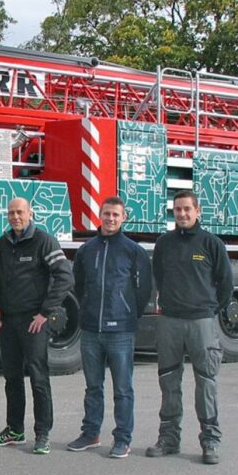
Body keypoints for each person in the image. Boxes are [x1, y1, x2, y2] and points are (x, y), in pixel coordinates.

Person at [145, 190, 232, 465]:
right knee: (169, 382)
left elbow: (226, 283)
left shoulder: (212, 244)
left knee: (205, 383)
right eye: (177, 209)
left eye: (187, 209)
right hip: (170, 321)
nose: (182, 214)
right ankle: (169, 439)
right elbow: (158, 275)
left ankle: (210, 441)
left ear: (197, 211)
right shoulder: (164, 243)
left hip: (201, 323)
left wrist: (208, 310)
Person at [66, 197, 152, 459]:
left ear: (123, 217)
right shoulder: (86, 249)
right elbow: (78, 285)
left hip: (121, 330)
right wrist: (87, 309)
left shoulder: (133, 250)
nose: (110, 219)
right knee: (93, 386)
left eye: (115, 215)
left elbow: (143, 289)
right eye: (106, 214)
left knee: (123, 388)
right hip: (91, 329)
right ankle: (91, 433)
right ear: (99, 216)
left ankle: (123, 439)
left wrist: (128, 314)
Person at [0, 198, 73, 455]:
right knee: (11, 378)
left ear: (30, 213)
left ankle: (42, 433)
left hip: (34, 321)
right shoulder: (2, 243)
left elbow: (64, 276)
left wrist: (45, 312)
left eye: (20, 212)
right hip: (8, 321)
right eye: (11, 213)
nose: (15, 216)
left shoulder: (43, 241)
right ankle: (15, 430)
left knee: (38, 377)